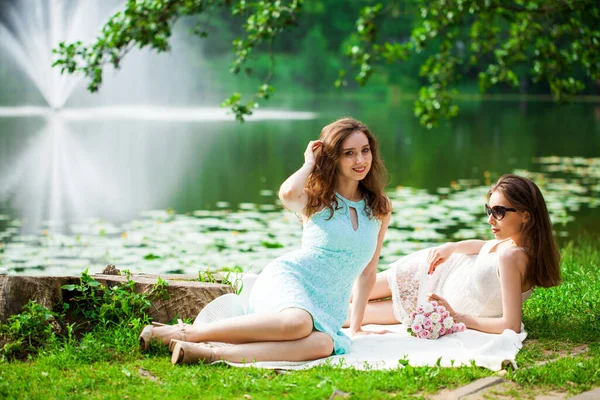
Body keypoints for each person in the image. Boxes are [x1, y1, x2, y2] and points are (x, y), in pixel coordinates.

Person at [139, 117, 392, 364]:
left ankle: (208, 353)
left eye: (365, 150)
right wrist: (309, 164)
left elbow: (368, 273)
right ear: (333, 158)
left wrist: (356, 328)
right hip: (291, 278)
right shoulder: (317, 199)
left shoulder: (379, 207)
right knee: (299, 324)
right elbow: (287, 193)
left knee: (324, 344)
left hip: (327, 305)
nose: (360, 160)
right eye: (349, 153)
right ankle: (184, 333)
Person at [345, 174, 561, 334]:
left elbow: (510, 325)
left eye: (499, 212)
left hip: (437, 305)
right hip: (429, 272)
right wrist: (452, 247)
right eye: (490, 210)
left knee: (350, 313)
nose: (490, 220)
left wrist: (459, 317)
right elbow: (481, 246)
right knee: (350, 291)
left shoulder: (511, 257)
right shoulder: (510, 244)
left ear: (526, 216)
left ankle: (309, 318)